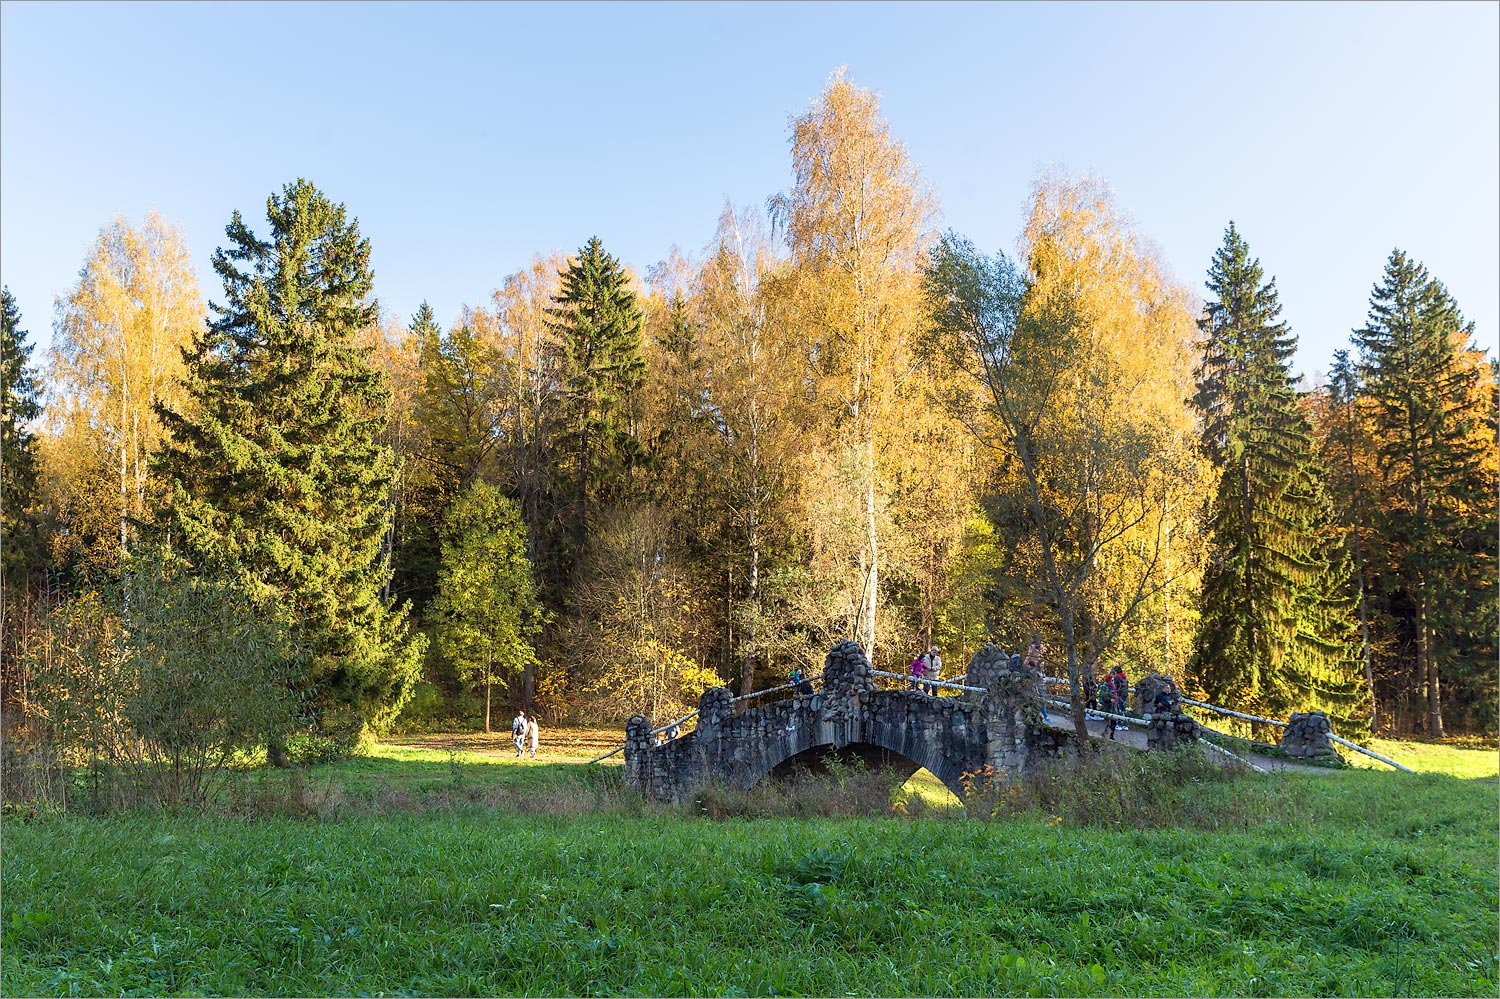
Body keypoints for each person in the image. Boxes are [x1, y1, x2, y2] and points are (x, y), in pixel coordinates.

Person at [1110, 664, 1130, 732]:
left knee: (1119, 709)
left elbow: (1116, 687)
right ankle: (1125, 725)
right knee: (1124, 710)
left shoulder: (1117, 678)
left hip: (1119, 695)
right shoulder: (1125, 677)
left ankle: (1119, 724)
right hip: (1125, 695)